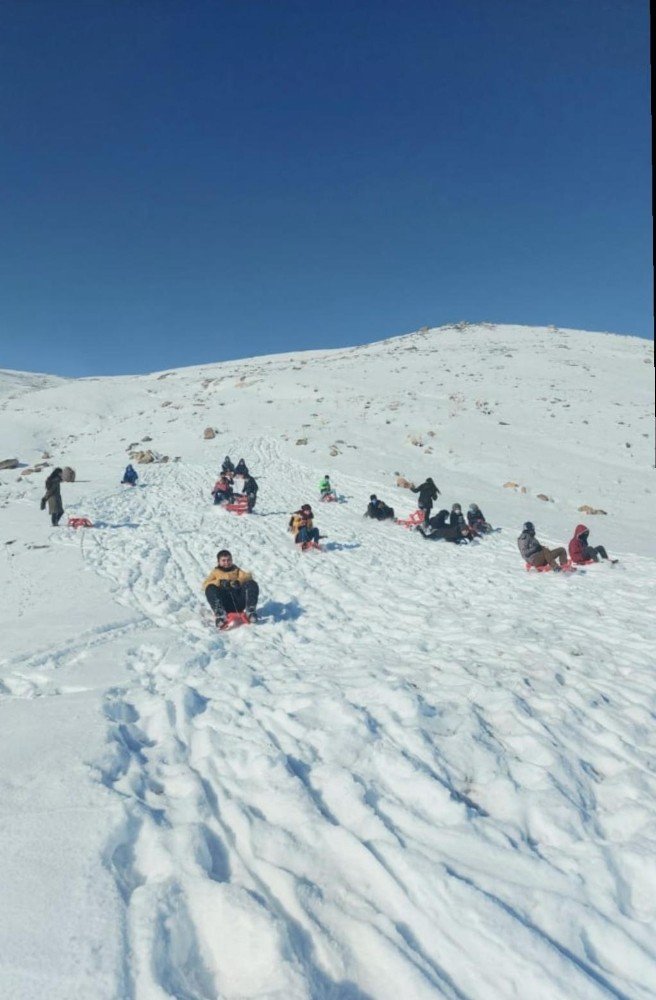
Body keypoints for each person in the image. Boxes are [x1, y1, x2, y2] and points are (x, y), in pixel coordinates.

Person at [203, 550, 259, 626]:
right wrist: (219, 582)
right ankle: (220, 614)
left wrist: (239, 581)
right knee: (210, 588)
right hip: (224, 603)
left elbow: (248, 576)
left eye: (229, 560)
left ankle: (251, 611)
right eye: (223, 560)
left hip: (238, 601)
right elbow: (205, 584)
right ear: (218, 562)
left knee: (251, 583)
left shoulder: (236, 569)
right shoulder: (215, 572)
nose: (226, 562)